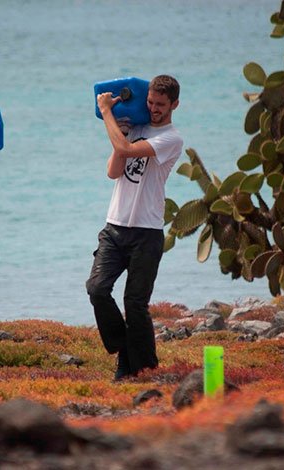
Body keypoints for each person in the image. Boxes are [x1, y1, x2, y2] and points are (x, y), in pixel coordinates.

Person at [86, 75, 183, 381]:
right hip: (114, 227)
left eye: (161, 105)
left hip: (147, 231)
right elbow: (113, 170)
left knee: (135, 304)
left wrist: (106, 114)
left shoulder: (171, 138)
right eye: (151, 102)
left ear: (174, 105)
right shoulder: (136, 129)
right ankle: (124, 348)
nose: (154, 109)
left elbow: (127, 151)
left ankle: (139, 369)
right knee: (97, 289)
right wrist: (122, 129)